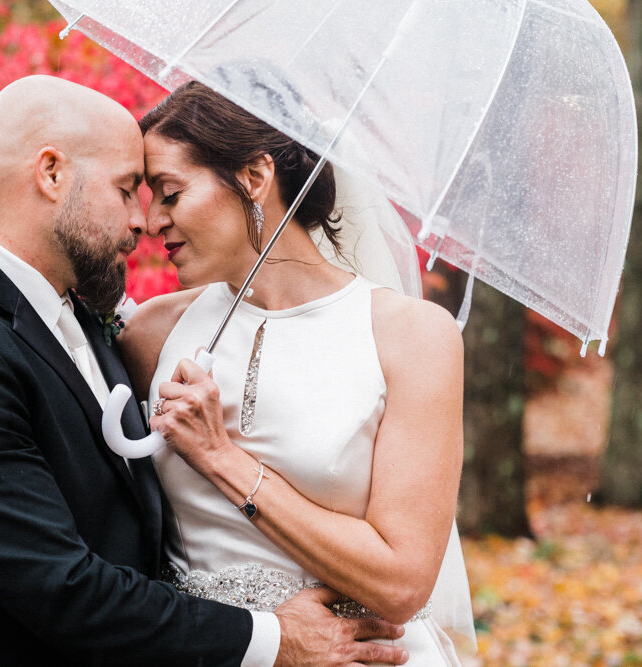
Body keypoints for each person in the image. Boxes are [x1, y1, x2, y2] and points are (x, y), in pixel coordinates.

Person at [0, 75, 411, 665]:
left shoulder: (89, 322)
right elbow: (63, 589)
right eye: (126, 190)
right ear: (51, 175)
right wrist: (276, 639)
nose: (142, 222)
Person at [121, 81, 476, 666]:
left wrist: (221, 459)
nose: (152, 221)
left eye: (170, 193)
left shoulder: (411, 337)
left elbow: (401, 582)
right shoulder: (152, 334)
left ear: (255, 178)